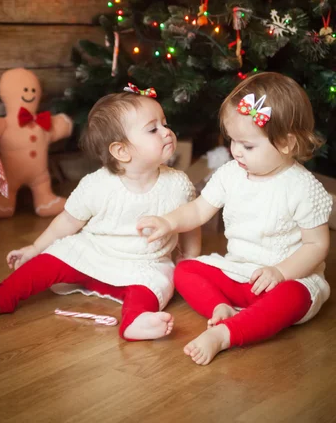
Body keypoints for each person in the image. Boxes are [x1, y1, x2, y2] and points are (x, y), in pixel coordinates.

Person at [0, 85, 199, 341]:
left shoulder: (177, 185)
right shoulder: (97, 185)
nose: (167, 132)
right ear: (121, 151)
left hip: (145, 262)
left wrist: (188, 259)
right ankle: (0, 299)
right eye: (154, 129)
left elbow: (190, 222)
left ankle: (135, 321)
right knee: (47, 261)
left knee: (154, 286)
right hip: (94, 251)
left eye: (165, 124)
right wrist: (35, 247)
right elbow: (67, 220)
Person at [137, 72, 333, 363]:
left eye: (248, 145)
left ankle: (226, 334)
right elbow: (200, 209)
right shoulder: (231, 174)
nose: (236, 151)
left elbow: (316, 246)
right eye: (233, 141)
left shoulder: (303, 187)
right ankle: (221, 308)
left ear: (287, 144)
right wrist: (168, 221)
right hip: (239, 272)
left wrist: (280, 272)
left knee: (294, 297)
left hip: (285, 280)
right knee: (186, 270)